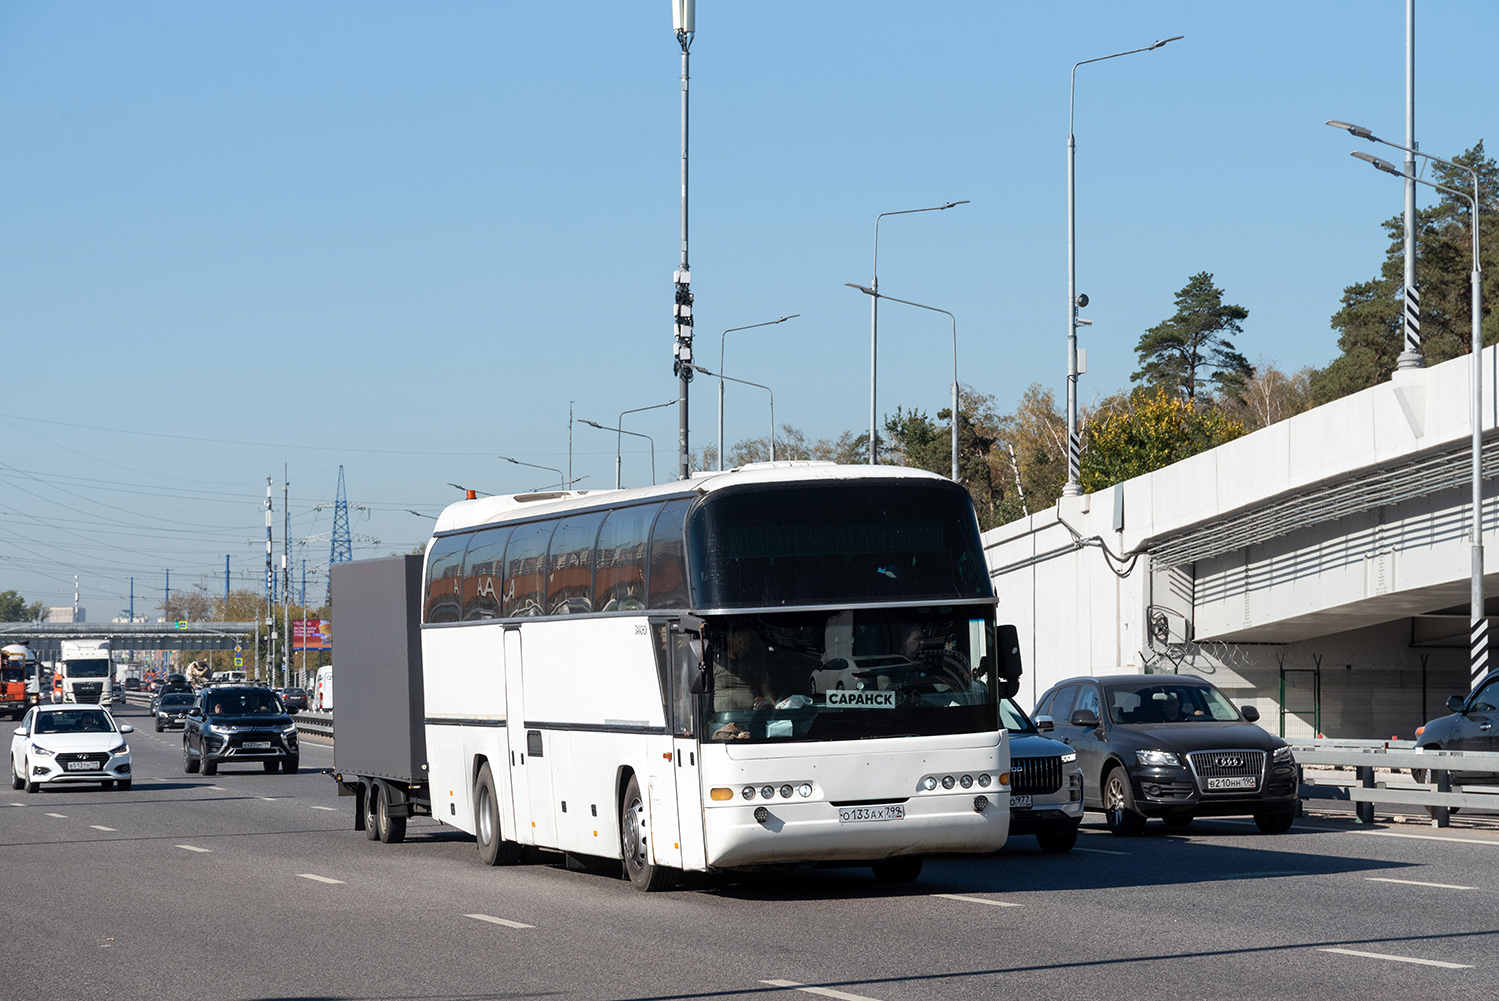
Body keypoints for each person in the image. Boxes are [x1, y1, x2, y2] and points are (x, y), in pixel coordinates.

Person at [713, 626, 774, 713]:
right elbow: (705, 695)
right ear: (729, 640)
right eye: (740, 641)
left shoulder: (756, 664)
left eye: (746, 642)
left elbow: (767, 692)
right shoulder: (716, 663)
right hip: (723, 719)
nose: (743, 646)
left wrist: (773, 707)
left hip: (752, 717)